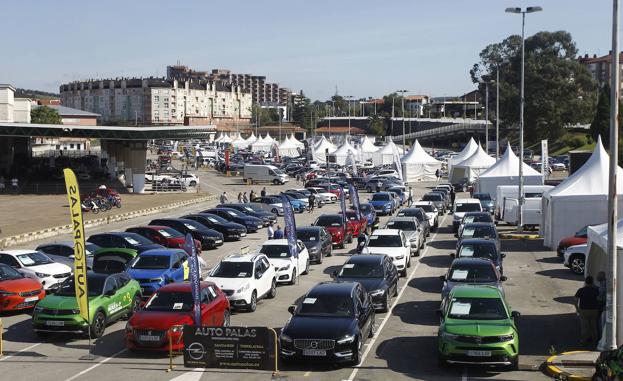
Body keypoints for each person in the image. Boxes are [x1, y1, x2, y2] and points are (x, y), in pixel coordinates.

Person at [574, 276, 601, 347]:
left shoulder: (581, 290)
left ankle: (583, 342)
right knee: (594, 327)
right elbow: (599, 299)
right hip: (594, 310)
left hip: (584, 310)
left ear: (585, 282)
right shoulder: (596, 290)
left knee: (584, 327)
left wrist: (577, 309)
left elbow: (575, 300)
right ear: (592, 282)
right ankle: (595, 342)